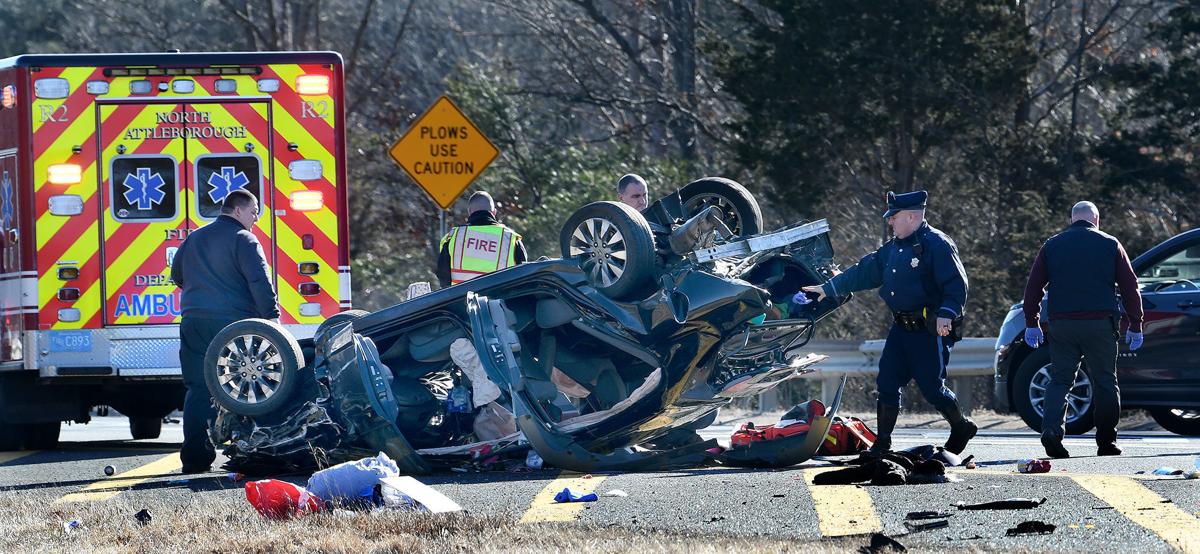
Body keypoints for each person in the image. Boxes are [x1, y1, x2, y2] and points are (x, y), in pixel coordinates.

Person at [803, 190, 975, 455]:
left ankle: (961, 426)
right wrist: (829, 288)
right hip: (900, 330)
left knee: (932, 389)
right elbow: (865, 271)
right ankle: (883, 444)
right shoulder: (893, 248)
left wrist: (947, 313)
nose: (890, 222)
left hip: (929, 331)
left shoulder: (937, 244)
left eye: (893, 217)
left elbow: (956, 284)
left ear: (911, 216)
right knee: (887, 382)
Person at [1021, 201, 1143, 459]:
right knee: (1105, 382)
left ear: (1072, 219)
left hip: (1062, 325)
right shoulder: (1111, 244)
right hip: (1100, 325)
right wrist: (1136, 324)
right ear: (1096, 220)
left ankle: (1052, 431)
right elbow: (1130, 287)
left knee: (1060, 380)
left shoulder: (1052, 245)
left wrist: (1031, 323)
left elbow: (1033, 289)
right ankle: (1107, 442)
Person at [170, 189, 279, 474]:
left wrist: (202, 294)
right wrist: (272, 318)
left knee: (197, 388)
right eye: (255, 212)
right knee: (248, 388)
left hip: (193, 321)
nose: (256, 218)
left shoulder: (195, 237)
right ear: (239, 210)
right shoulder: (244, 239)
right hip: (233, 325)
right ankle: (252, 454)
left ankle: (194, 459)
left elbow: (176, 275)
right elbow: (259, 281)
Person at [436, 191, 528, 288]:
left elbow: (443, 277)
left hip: (461, 301)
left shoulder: (453, 237)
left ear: (470, 211)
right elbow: (524, 276)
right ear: (494, 212)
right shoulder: (511, 239)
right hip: (500, 301)